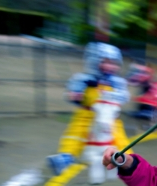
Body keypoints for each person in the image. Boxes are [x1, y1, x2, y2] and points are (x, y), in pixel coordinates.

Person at [47, 42, 131, 176]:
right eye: (105, 62)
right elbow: (72, 92)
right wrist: (75, 94)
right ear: (94, 61)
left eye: (113, 63)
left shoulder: (118, 82)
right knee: (76, 133)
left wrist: (115, 95)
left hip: (109, 117)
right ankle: (65, 157)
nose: (109, 66)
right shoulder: (84, 79)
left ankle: (126, 158)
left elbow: (124, 96)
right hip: (86, 114)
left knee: (118, 135)